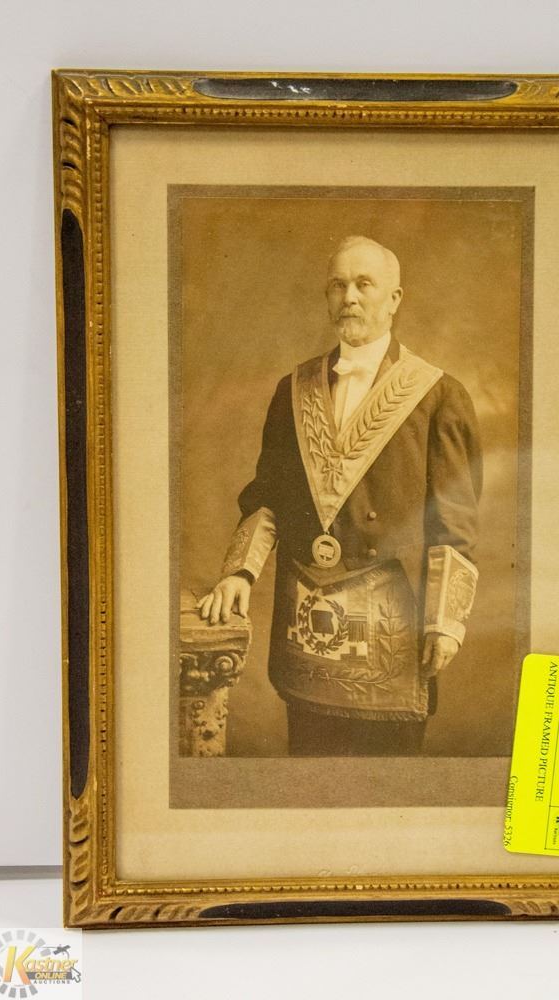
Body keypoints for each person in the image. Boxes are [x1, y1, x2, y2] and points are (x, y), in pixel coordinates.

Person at [198, 235, 482, 756]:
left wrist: (446, 622)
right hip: (308, 639)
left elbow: (454, 523)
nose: (349, 297)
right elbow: (268, 495)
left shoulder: (439, 394)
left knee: (387, 788)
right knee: (312, 779)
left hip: (394, 639)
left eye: (363, 284)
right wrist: (240, 572)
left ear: (394, 298)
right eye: (338, 285)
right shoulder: (292, 389)